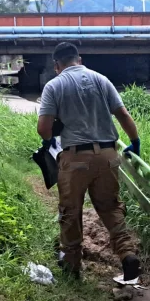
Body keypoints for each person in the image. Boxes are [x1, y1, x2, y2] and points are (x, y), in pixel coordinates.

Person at [37, 42, 142, 281]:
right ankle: (127, 254)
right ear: (79, 59)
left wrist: (53, 133)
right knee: (110, 207)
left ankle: (72, 265)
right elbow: (123, 115)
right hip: (108, 155)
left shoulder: (54, 86)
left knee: (70, 211)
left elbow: (44, 129)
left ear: (57, 66)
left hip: (75, 159)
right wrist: (135, 141)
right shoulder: (101, 80)